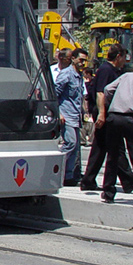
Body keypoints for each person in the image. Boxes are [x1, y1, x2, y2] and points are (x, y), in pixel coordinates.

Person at [79, 45, 133, 192]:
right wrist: (102, 114)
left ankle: (88, 180)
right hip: (105, 111)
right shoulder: (106, 70)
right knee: (117, 147)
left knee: (100, 147)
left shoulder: (112, 70)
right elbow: (100, 93)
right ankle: (129, 181)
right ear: (118, 57)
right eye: (124, 57)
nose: (124, 61)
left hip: (108, 112)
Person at [100, 68, 133, 207]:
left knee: (112, 156)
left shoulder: (128, 75)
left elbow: (108, 89)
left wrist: (112, 103)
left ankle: (108, 192)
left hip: (115, 115)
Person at [54, 47, 89, 187]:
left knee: (74, 148)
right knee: (70, 143)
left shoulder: (79, 75)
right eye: (80, 60)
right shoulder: (66, 74)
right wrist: (58, 113)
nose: (83, 63)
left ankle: (68, 176)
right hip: (66, 115)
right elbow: (55, 94)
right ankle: (55, 166)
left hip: (75, 116)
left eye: (85, 61)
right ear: (73, 59)